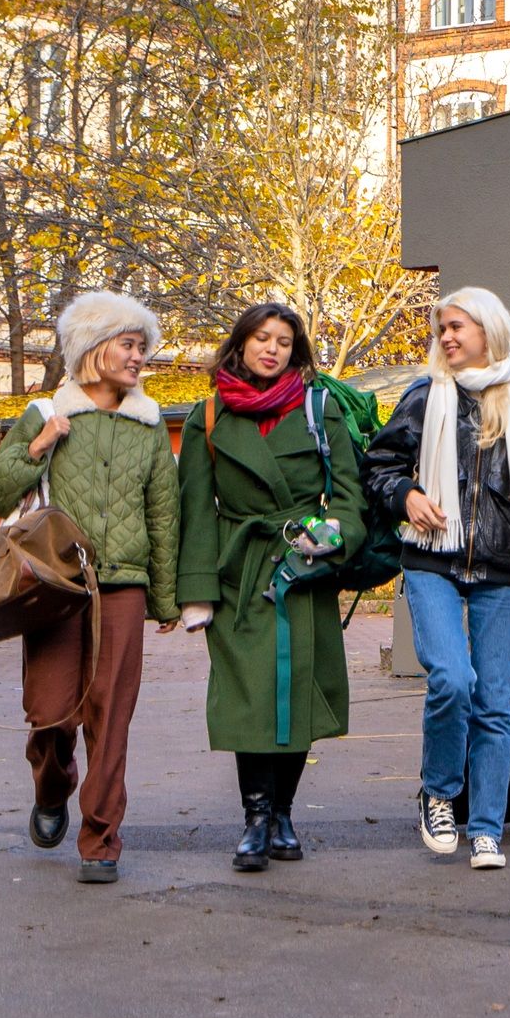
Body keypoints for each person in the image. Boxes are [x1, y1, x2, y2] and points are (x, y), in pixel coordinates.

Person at [0, 290, 181, 884]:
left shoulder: (148, 428)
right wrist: (39, 449)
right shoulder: (45, 415)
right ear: (93, 349)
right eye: (128, 344)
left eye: (143, 346)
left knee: (110, 717)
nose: (139, 356)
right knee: (49, 715)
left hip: (123, 588)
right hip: (54, 588)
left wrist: (165, 599)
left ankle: (101, 839)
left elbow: (164, 518)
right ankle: (53, 784)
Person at [364, 288, 510, 871]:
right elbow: (379, 466)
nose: (447, 337)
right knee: (452, 678)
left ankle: (486, 830)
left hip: (504, 572)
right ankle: (439, 793)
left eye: (458, 327)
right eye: (442, 328)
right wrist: (407, 496)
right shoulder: (425, 398)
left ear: (489, 331)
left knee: (494, 702)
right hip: (432, 562)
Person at [176, 303, 369, 873]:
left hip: (302, 565)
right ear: (240, 344)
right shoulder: (207, 416)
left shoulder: (320, 407)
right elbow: (195, 511)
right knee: (250, 695)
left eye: (284, 342)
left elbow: (352, 493)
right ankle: (255, 818)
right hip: (240, 570)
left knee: (296, 691)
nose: (272, 349)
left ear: (295, 351)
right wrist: (196, 591)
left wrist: (337, 532)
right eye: (262, 338)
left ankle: (282, 813)